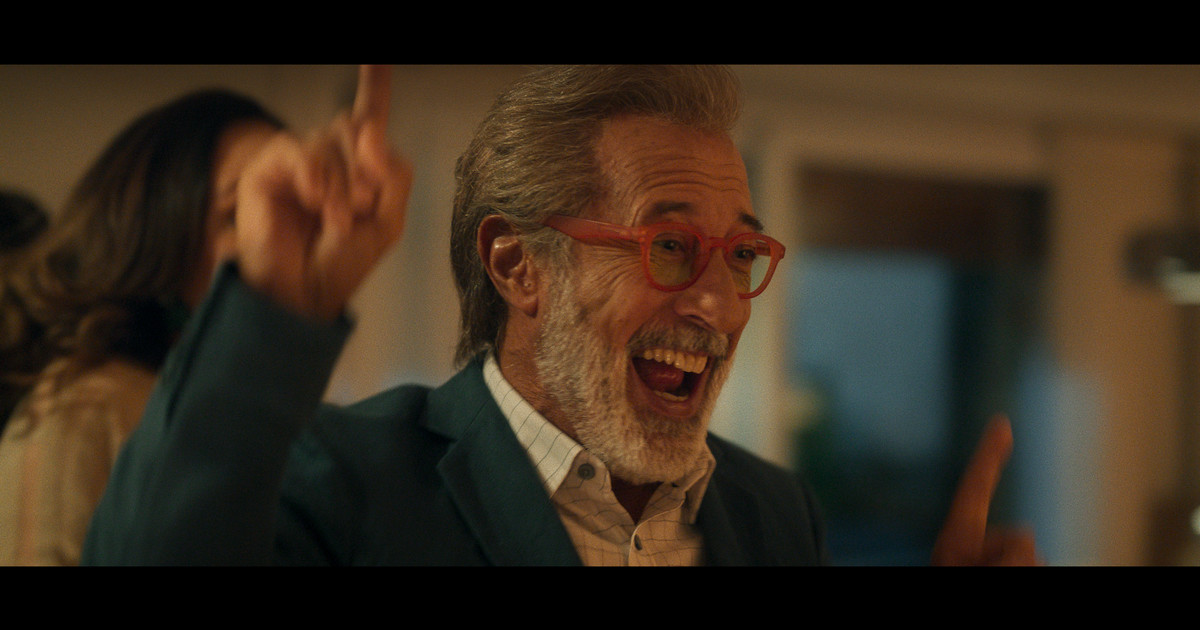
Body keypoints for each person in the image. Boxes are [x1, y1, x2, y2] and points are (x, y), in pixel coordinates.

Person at [82, 65, 1039, 566]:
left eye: (741, 255)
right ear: (517, 265)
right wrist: (271, 307)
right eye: (671, 246)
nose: (717, 303)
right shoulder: (342, 483)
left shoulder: (774, 516)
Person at [0, 90, 284, 565]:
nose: (282, 240)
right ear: (156, 236)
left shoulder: (278, 417)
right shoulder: (90, 410)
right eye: (236, 215)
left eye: (295, 211)